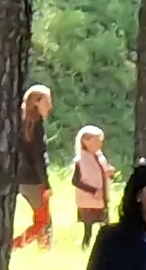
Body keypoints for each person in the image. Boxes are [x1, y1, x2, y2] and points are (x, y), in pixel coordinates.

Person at [15, 86, 58, 249]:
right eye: (47, 102)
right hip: (33, 179)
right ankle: (15, 246)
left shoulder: (21, 121)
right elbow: (38, 157)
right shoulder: (37, 125)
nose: (50, 106)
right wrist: (45, 185)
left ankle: (39, 249)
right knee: (43, 221)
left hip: (20, 176)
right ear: (37, 103)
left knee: (42, 220)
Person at [68, 123, 115, 247]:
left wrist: (109, 173)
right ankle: (86, 246)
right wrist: (93, 190)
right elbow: (76, 181)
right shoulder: (80, 161)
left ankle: (106, 246)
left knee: (105, 225)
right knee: (88, 229)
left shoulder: (100, 157)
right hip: (88, 201)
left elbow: (101, 173)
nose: (100, 145)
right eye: (96, 142)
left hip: (101, 199)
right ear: (85, 142)